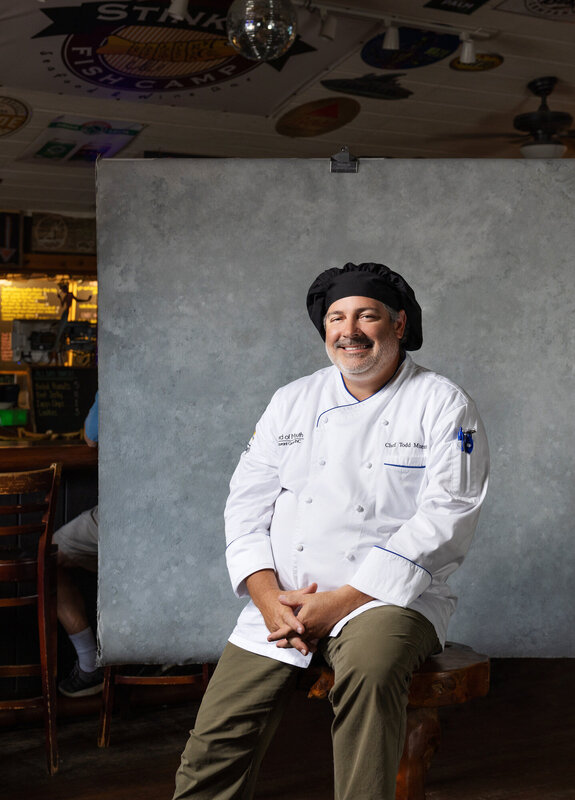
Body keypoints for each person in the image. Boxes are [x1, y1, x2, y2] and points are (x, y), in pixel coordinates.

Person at [172, 262, 490, 800]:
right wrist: (268, 596)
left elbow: (447, 515)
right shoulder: (291, 401)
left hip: (388, 599)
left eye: (368, 315)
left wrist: (342, 601)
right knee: (217, 737)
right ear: (325, 330)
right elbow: (245, 504)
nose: (351, 331)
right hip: (287, 599)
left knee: (369, 671)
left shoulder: (443, 403)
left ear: (399, 324)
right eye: (337, 318)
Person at [55, 392, 104, 697]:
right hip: (193, 521)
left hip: (130, 519)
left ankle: (90, 665)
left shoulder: (122, 370)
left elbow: (91, 438)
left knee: (50, 555)